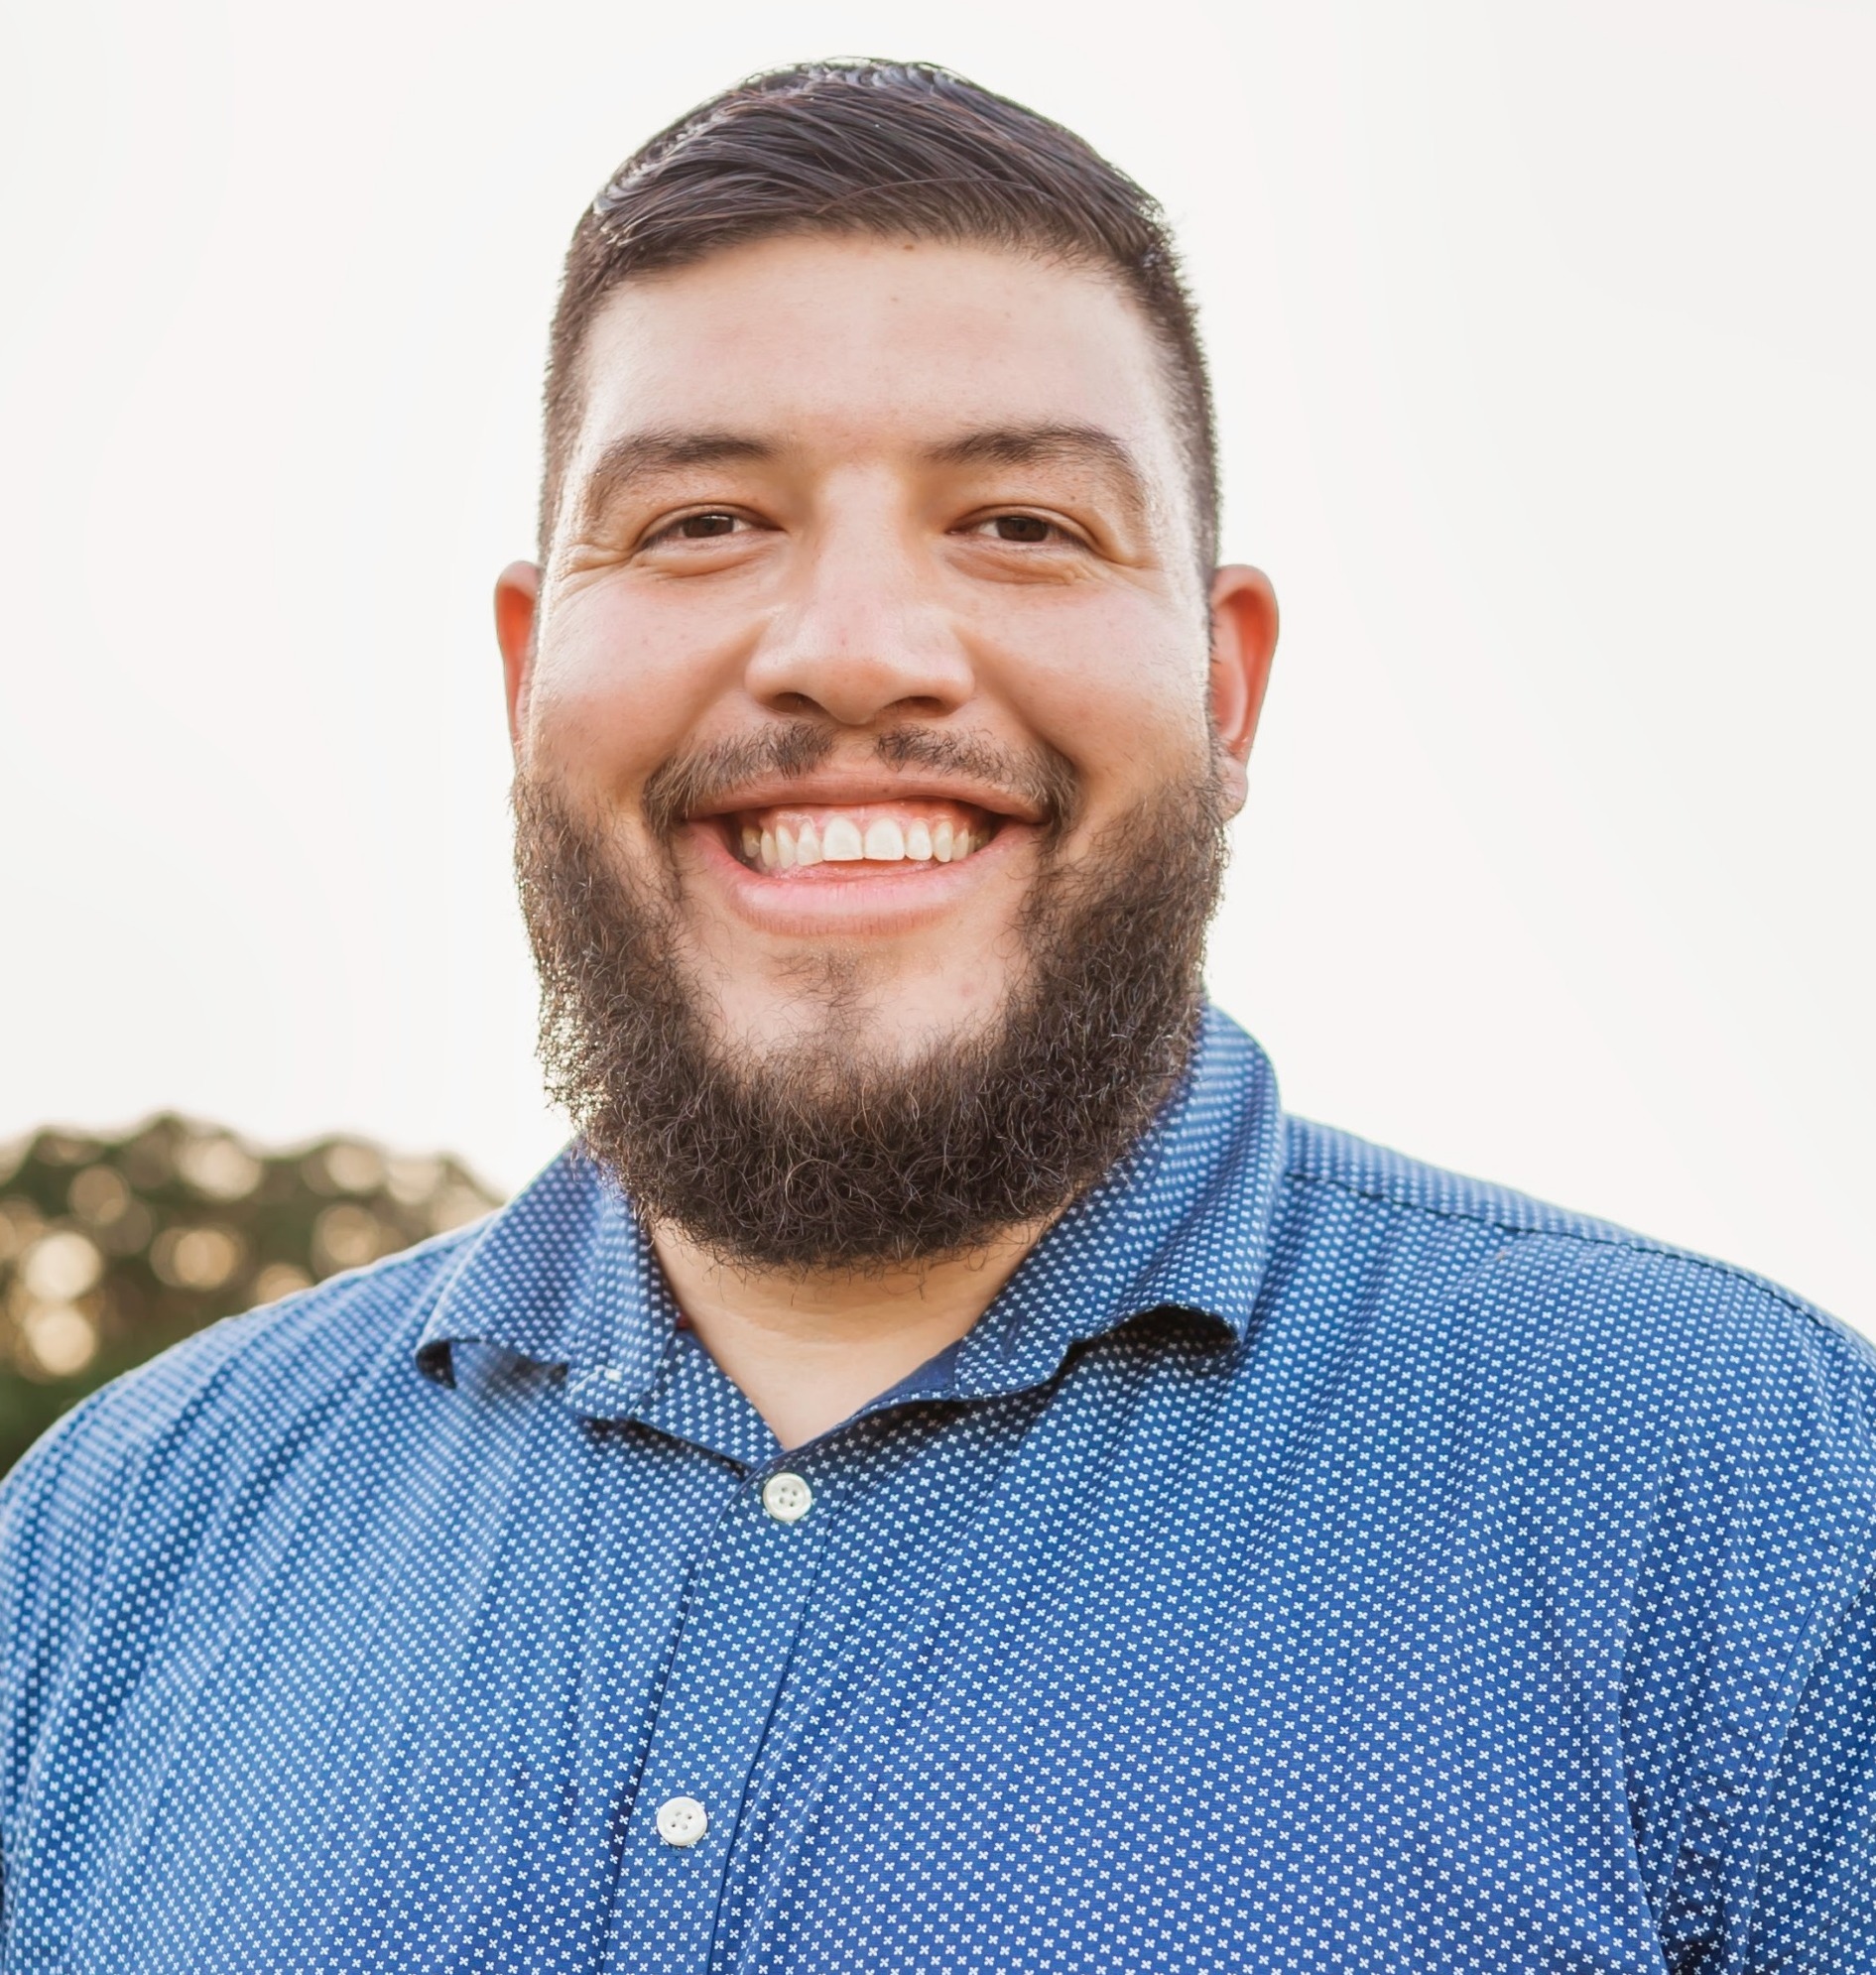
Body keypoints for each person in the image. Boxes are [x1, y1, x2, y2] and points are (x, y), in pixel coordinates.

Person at [1, 59, 1870, 1974]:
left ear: (1229, 692)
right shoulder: (98, 1559)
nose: (855, 649)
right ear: (526, 667)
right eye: (706, 521)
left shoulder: (1754, 1503)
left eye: (1023, 526)